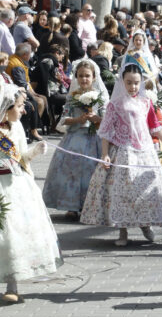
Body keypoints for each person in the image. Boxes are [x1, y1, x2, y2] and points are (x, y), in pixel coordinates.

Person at [80, 63, 162, 246]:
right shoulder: (115, 104)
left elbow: (155, 128)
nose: (133, 86)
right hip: (124, 151)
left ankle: (145, 224)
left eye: (136, 83)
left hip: (146, 151)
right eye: (129, 82)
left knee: (150, 189)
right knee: (123, 193)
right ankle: (122, 231)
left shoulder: (146, 102)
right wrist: (106, 154)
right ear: (122, 82)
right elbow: (106, 131)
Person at [0, 84, 62, 303]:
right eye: (18, 106)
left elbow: (21, 157)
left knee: (13, 234)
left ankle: (12, 284)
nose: (23, 110)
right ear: (6, 107)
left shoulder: (17, 127)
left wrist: (34, 152)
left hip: (15, 186)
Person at [42, 60, 108, 219]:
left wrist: (96, 119)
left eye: (87, 76)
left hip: (95, 139)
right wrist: (79, 119)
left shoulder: (101, 97)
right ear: (76, 77)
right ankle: (71, 206)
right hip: (75, 138)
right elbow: (63, 119)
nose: (84, 79)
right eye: (80, 76)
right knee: (72, 172)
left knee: (92, 172)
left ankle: (91, 205)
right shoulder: (72, 97)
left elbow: (108, 120)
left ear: (93, 77)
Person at [7, 43, 46, 141]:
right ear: (25, 55)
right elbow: (22, 84)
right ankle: (33, 130)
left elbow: (26, 82)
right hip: (16, 93)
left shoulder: (19, 60)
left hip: (22, 89)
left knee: (43, 98)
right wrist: (32, 96)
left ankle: (33, 127)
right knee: (38, 102)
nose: (31, 55)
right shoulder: (16, 65)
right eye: (30, 53)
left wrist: (34, 93)